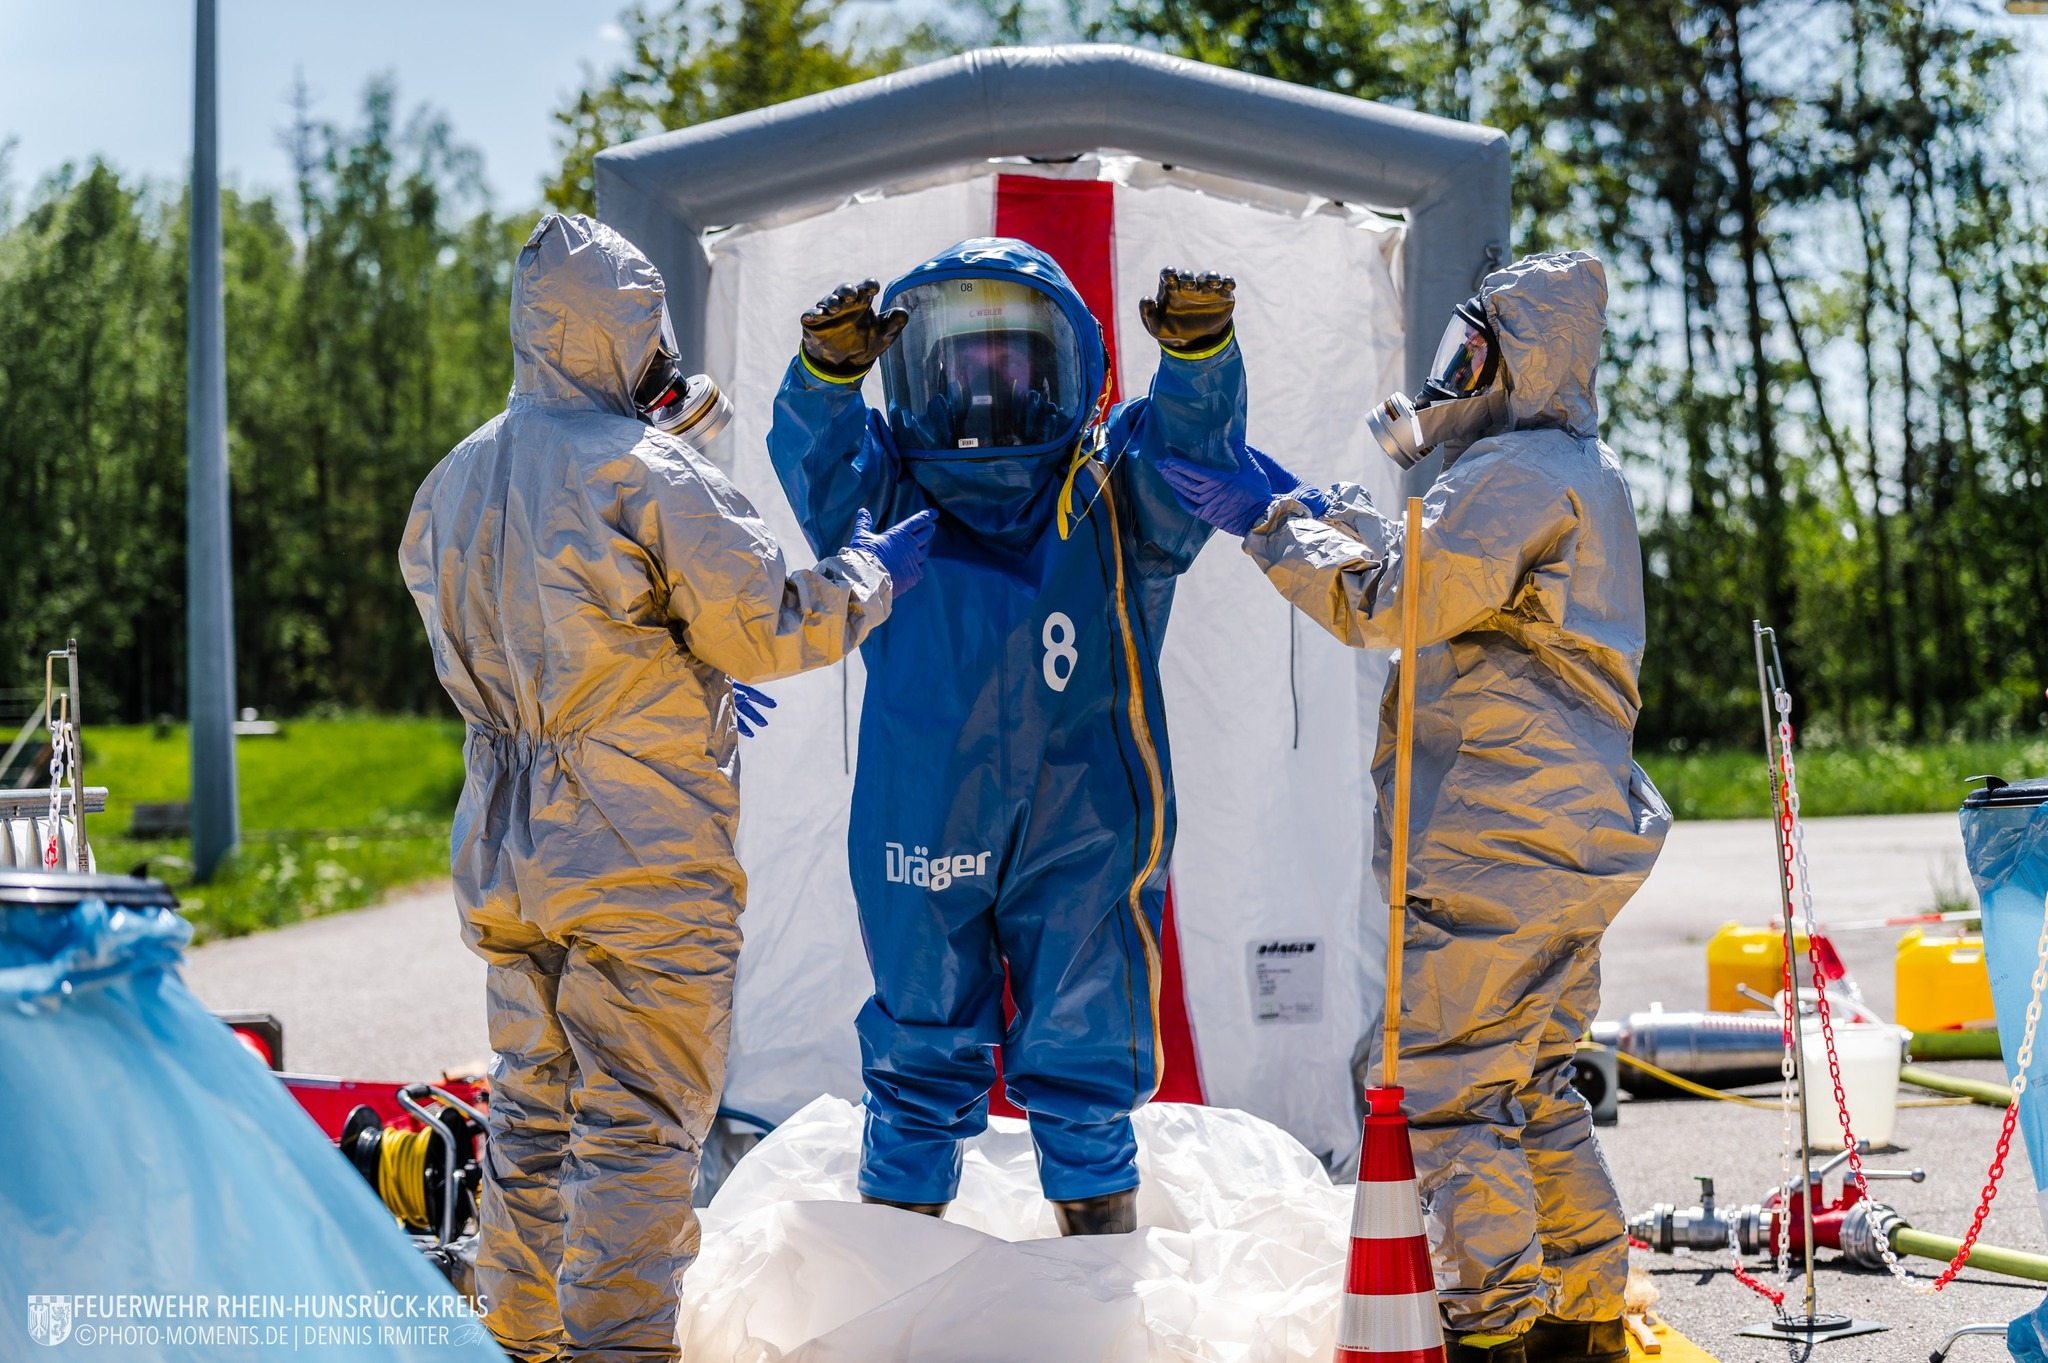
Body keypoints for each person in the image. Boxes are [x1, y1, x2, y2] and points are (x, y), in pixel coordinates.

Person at [399, 212, 937, 1362]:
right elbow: (768, 626)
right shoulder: (647, 473)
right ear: (624, 329)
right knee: (638, 1125)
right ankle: (619, 1347)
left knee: (532, 1108)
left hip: (504, 845)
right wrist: (868, 572)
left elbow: (510, 634)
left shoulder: (454, 476)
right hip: (636, 844)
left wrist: (641, 669)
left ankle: (516, 1335)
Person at [1158, 251, 1670, 1363]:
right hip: (1568, 830)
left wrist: (1267, 524)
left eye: (1471, 355)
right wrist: (1310, 504)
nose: (1451, 378)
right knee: (1532, 1081)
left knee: (1447, 1092)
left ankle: (1491, 1332)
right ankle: (1581, 1315)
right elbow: (1434, 560)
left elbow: (1395, 598)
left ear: (1515, 361)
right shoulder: (1575, 467)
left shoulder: (1513, 473)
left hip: (1500, 833)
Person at [767, 240, 1246, 1235]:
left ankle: (1095, 1266)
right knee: (918, 1038)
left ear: (1064, 365)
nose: (989, 388)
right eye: (968, 363)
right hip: (937, 814)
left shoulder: (1110, 489)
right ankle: (904, 1267)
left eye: (1013, 361)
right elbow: (821, 465)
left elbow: (1189, 464)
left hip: (1075, 818)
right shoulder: (890, 488)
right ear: (926, 374)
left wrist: (1198, 362)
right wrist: (824, 378)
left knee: (1085, 1037)